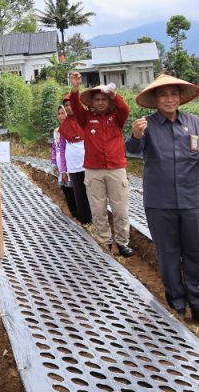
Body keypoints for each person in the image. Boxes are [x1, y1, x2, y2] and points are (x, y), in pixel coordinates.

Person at [126, 74, 199, 326]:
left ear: (180, 98)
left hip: (193, 198)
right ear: (155, 100)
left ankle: (198, 305)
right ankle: (177, 305)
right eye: (163, 95)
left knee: (195, 252)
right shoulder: (146, 125)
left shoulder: (194, 122)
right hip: (160, 201)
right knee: (168, 253)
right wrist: (135, 136)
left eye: (173, 94)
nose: (169, 99)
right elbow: (132, 150)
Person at [68, 71, 134, 258]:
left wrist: (113, 94)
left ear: (109, 101)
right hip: (93, 170)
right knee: (98, 209)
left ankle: (122, 242)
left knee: (120, 209)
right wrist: (75, 88)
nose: (100, 102)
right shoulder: (86, 118)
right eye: (96, 99)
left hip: (116, 169)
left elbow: (125, 109)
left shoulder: (117, 118)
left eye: (104, 99)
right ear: (92, 102)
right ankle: (105, 241)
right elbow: (75, 106)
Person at [54, 96, 92, 225]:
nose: (69, 107)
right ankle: (85, 222)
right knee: (79, 194)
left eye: (71, 104)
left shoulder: (86, 121)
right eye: (66, 105)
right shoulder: (64, 127)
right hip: (73, 165)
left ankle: (96, 220)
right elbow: (62, 150)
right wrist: (63, 170)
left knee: (93, 193)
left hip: (89, 163)